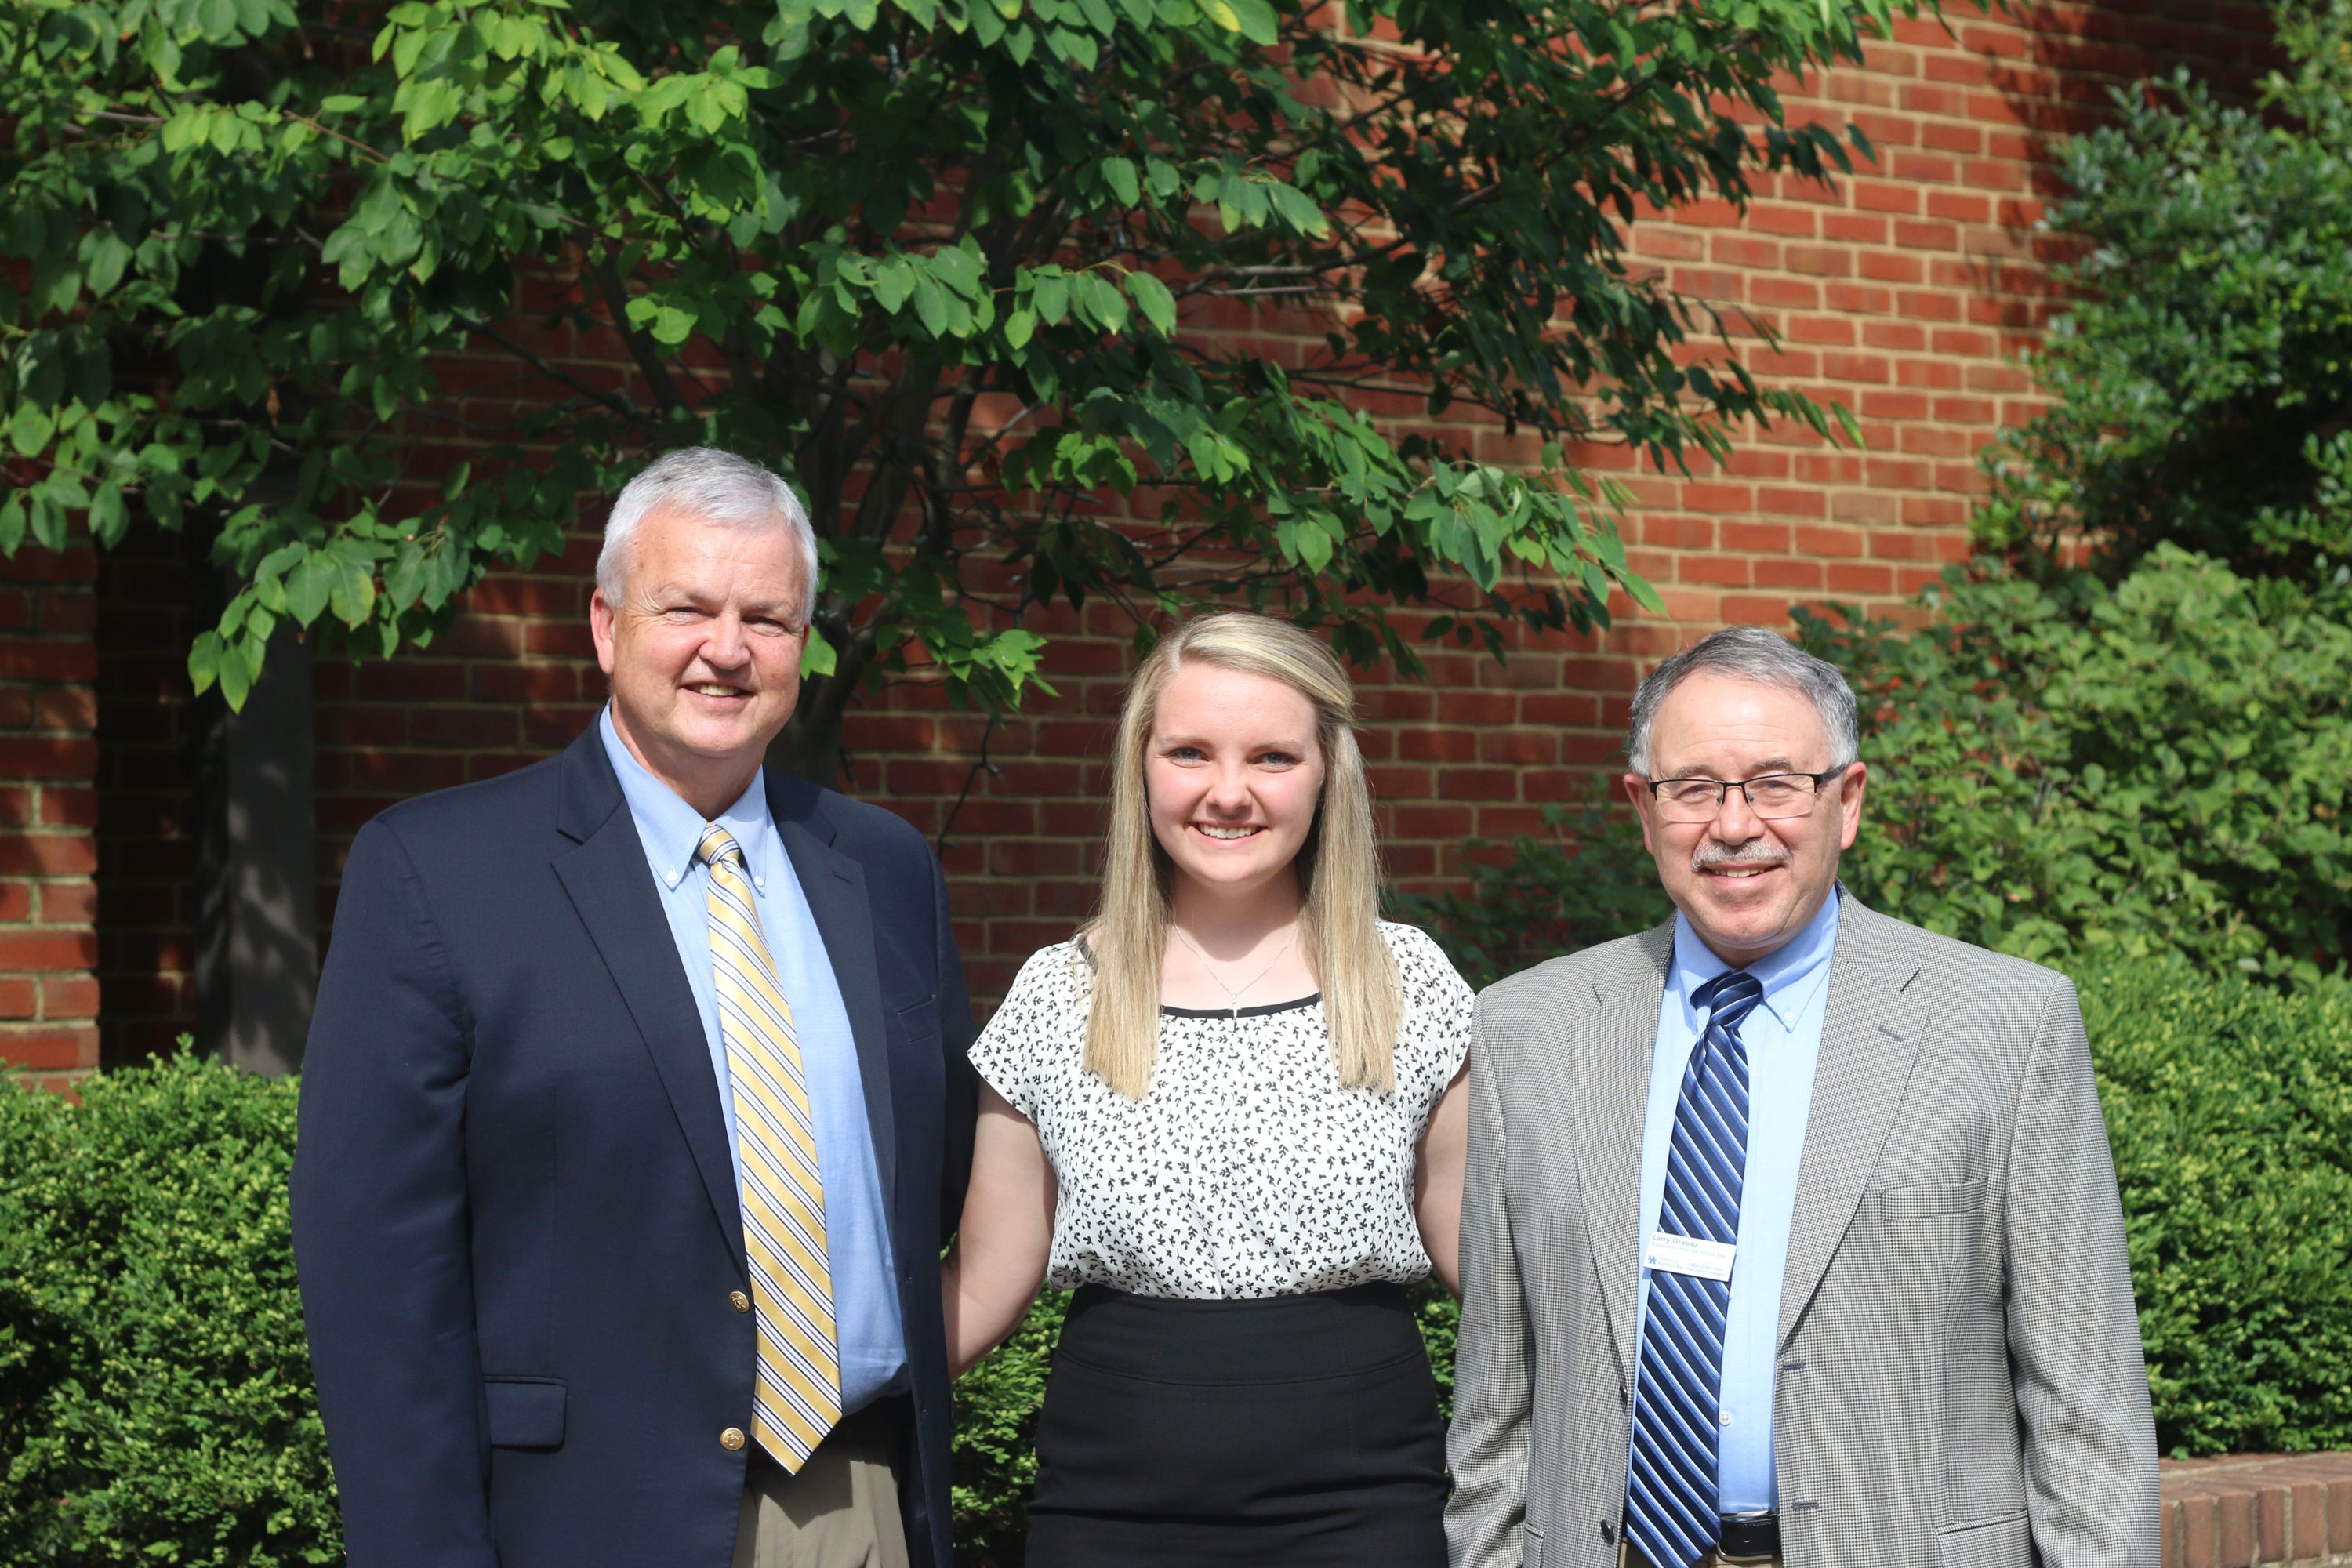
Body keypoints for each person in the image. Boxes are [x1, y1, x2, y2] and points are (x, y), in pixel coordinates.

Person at [290, 448, 978, 1568]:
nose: (727, 647)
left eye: (768, 616)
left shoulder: (883, 867)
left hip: (859, 1505)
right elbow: (377, 1285)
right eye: (688, 607)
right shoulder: (436, 873)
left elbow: (944, 1183)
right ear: (606, 627)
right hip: (578, 1523)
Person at [1446, 626, 2158, 1568]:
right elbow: (1496, 1401)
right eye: (1693, 787)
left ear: (1847, 800)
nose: (1734, 825)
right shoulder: (1524, 1030)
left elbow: (2088, 1414)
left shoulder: (2006, 1026)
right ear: (1641, 806)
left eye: (1777, 782)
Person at [944, 612, 1473, 1566]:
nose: (1228, 792)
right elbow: (984, 1280)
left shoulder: (1411, 981)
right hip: (1109, 1504)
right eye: (1191, 751)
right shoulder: (1059, 992)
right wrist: (804, 1390)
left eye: (1272, 756)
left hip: (1362, 1501)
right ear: (1142, 766)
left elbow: (1485, 1254)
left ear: (1327, 772)